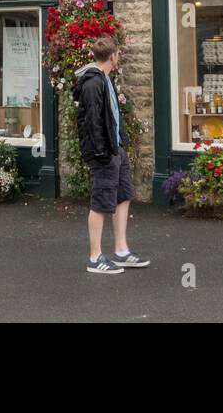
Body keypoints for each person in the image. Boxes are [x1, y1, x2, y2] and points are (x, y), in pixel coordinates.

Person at [74, 35, 149, 275]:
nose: (119, 58)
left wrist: (120, 144)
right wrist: (102, 152)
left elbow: (111, 116)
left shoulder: (105, 79)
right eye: (118, 55)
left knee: (122, 195)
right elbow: (92, 122)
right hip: (103, 152)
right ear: (113, 56)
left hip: (116, 148)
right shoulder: (92, 83)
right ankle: (95, 258)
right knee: (100, 202)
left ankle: (121, 251)